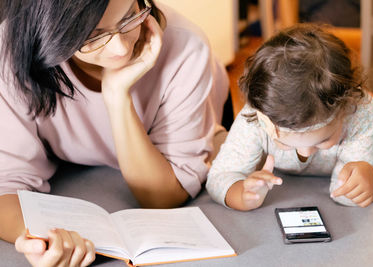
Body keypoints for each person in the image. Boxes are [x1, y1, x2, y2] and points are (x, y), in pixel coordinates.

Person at [0, 0, 229, 265]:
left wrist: (117, 96)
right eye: (93, 35)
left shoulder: (185, 47)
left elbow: (163, 196)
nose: (120, 49)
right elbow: (6, 185)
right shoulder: (9, 54)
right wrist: (43, 241)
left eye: (129, 16)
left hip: (198, 121)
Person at [206, 23, 373, 211]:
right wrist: (242, 194)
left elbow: (344, 193)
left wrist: (363, 182)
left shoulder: (359, 112)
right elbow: (221, 176)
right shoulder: (255, 117)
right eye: (286, 143)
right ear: (263, 119)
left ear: (344, 109)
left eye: (323, 140)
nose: (305, 153)